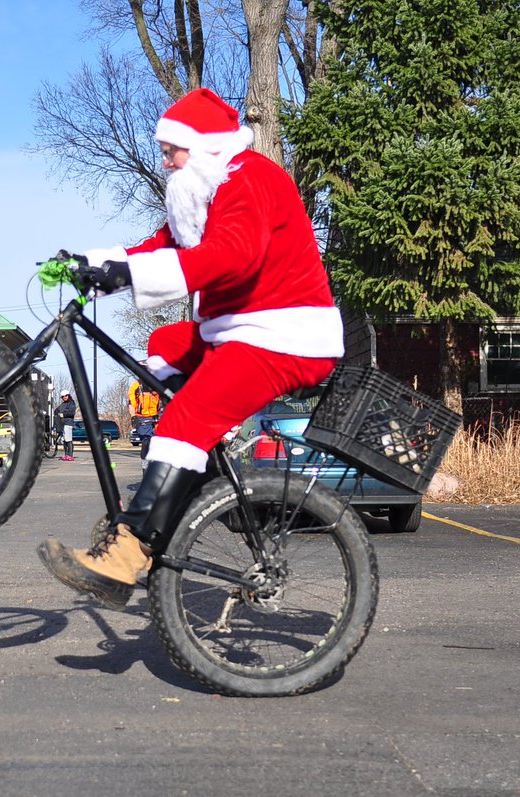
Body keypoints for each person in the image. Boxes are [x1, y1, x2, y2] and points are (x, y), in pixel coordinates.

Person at [39, 88, 344, 610]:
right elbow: (160, 246)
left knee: (186, 417)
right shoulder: (203, 188)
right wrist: (91, 262)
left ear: (202, 146)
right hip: (235, 331)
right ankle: (191, 487)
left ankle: (128, 556)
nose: (164, 160)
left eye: (170, 150)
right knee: (165, 344)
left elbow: (234, 256)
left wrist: (129, 274)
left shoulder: (252, 178)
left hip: (284, 336)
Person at [54, 389, 77, 461]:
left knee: (68, 439)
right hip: (63, 424)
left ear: (68, 395)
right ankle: (66, 454)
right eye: (63, 396)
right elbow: (56, 410)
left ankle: (70, 455)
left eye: (66, 396)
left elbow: (72, 413)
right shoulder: (63, 404)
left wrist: (63, 414)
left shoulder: (71, 403)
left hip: (68, 423)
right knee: (64, 440)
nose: (64, 397)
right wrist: (57, 413)